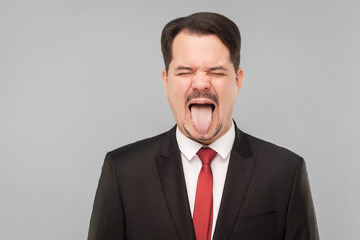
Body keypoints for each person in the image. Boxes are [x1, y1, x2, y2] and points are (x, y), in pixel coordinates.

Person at [88, 12, 319, 240]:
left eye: (216, 72)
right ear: (166, 81)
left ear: (237, 81)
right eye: (185, 72)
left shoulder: (285, 173)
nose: (200, 83)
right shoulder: (123, 172)